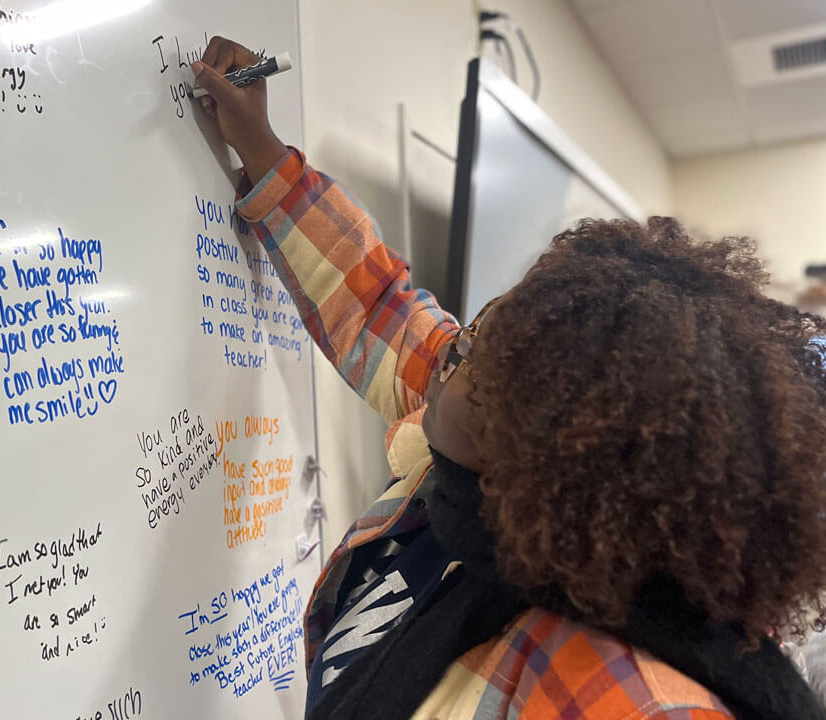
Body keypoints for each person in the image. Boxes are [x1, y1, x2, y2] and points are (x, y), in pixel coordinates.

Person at [191, 36, 826, 720]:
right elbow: (376, 303)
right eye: (479, 329)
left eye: (472, 356)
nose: (449, 349)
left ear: (550, 446)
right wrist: (261, 148)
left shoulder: (623, 694)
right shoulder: (480, 470)